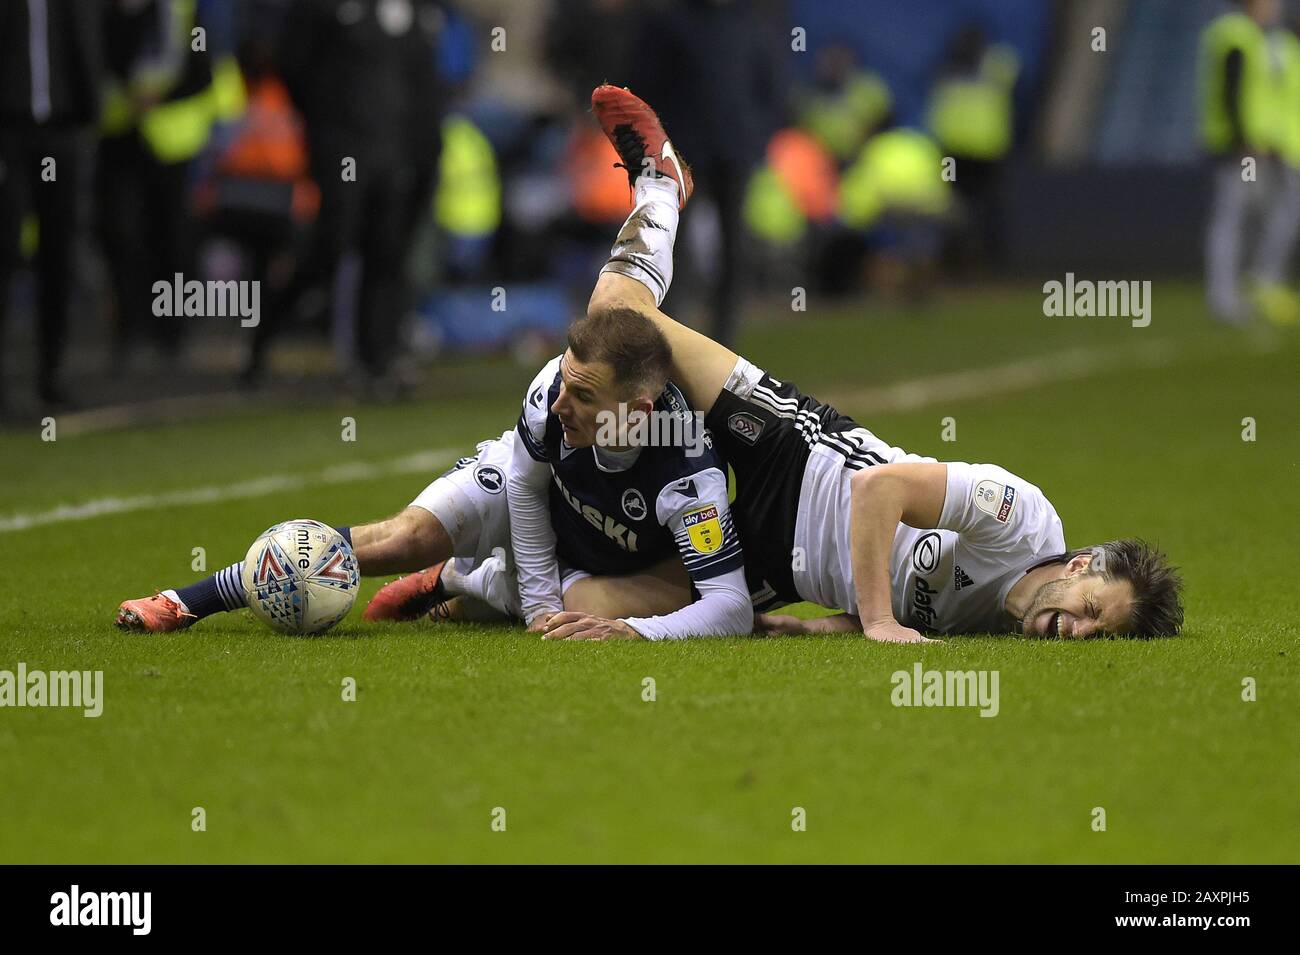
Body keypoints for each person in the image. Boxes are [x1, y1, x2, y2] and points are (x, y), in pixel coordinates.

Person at [575, 86, 1184, 642]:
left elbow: (912, 590)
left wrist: (821, 630)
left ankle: (481, 570)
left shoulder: (997, 623)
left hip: (782, 565)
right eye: (1094, 610)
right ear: (1081, 566)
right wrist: (876, 622)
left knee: (594, 596)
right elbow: (878, 488)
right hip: (797, 457)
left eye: (1099, 636)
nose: (1080, 631)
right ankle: (661, 184)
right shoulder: (1021, 520)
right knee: (616, 316)